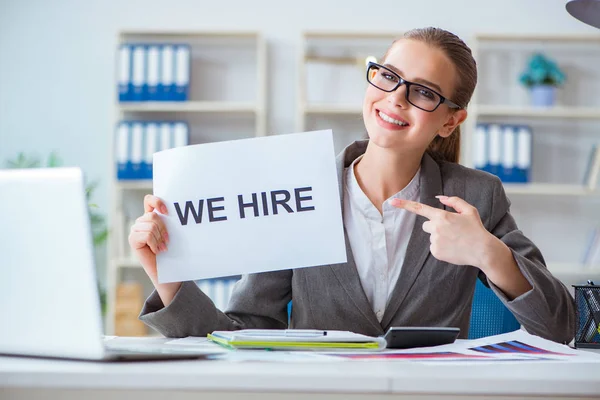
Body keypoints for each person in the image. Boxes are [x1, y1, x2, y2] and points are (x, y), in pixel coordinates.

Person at [129, 27, 575, 343]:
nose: (396, 97)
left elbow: (563, 325)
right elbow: (242, 336)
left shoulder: (478, 196)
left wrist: (487, 253)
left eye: (423, 92)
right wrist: (168, 278)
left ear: (450, 120)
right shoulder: (297, 188)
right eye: (388, 76)